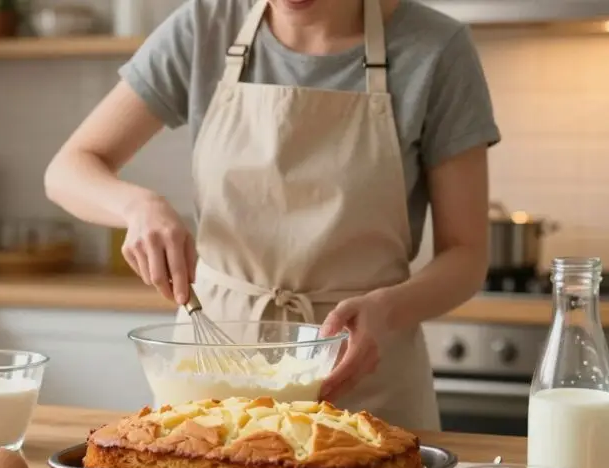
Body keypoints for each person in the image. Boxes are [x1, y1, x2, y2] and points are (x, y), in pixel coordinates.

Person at [44, 0, 500, 430]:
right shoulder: (207, 25)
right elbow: (69, 168)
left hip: (363, 379)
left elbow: (466, 255)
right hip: (214, 378)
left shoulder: (435, 50)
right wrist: (137, 207)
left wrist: (389, 309)